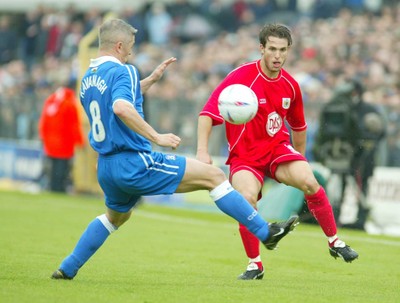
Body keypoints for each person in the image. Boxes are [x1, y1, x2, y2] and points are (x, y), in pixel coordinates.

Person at [51, 18, 299, 280]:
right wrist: (156, 136)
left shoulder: (89, 77)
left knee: (115, 218)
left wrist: (150, 81)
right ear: (119, 45)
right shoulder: (123, 71)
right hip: (133, 162)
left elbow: (115, 98)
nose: (132, 52)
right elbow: (121, 107)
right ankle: (265, 232)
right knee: (213, 176)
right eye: (131, 47)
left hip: (107, 167)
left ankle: (67, 267)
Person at [196, 23, 359, 281]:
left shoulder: (291, 86)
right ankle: (255, 265)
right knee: (246, 198)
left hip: (277, 150)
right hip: (245, 156)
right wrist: (202, 152)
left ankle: (334, 241)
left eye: (283, 50)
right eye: (272, 49)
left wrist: (301, 159)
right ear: (261, 48)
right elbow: (207, 114)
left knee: (309, 181)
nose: (277, 55)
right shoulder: (240, 78)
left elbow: (299, 126)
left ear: (288, 50)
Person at [314, 79, 386, 230]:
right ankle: (335, 216)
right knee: (339, 186)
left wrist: (365, 143)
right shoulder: (336, 107)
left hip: (362, 160)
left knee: (361, 186)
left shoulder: (367, 110)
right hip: (343, 155)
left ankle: (360, 220)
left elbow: (379, 131)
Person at [38, 83, 85, 193]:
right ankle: (59, 188)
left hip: (50, 142)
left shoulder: (51, 100)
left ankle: (52, 186)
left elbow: (43, 122)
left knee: (53, 166)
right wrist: (80, 141)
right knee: (62, 167)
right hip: (65, 143)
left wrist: (43, 137)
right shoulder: (69, 103)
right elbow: (74, 124)